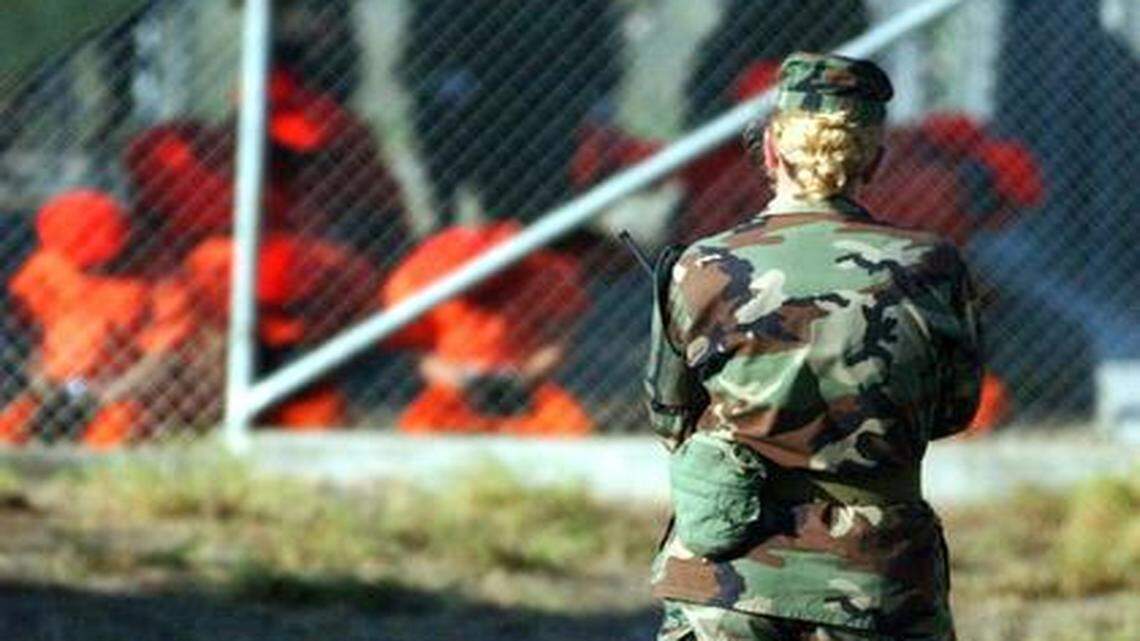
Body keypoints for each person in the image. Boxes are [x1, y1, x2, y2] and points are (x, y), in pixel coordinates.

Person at [646, 53, 981, 640]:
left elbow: (669, 414)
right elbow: (953, 411)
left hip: (727, 587)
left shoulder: (701, 266)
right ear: (873, 160)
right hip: (878, 585)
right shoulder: (932, 266)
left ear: (771, 149)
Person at [380, 222, 593, 435]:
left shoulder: (543, 272)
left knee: (570, 427)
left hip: (524, 386)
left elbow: (557, 343)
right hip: (455, 389)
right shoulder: (417, 278)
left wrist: (521, 379)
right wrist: (464, 381)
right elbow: (423, 355)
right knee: (421, 427)